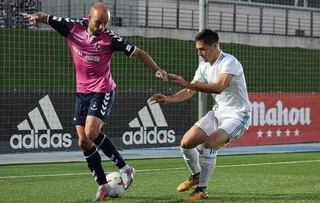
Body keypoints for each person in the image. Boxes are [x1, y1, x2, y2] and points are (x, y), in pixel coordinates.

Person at [22, 3, 168, 201]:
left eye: (105, 23)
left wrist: (156, 69)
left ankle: (126, 169)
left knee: (92, 132)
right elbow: (47, 17)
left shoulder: (110, 38)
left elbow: (139, 52)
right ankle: (103, 186)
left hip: (102, 90)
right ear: (88, 17)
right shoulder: (72, 27)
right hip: (82, 91)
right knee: (83, 141)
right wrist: (35, 17)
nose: (101, 27)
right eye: (98, 22)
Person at [151, 29, 251, 201]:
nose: (199, 53)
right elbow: (189, 90)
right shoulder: (204, 66)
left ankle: (201, 189)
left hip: (237, 115)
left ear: (215, 46)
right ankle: (196, 175)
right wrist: (168, 99)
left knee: (210, 143)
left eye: (203, 49)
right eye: (197, 49)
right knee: (185, 143)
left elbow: (219, 87)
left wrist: (188, 83)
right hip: (218, 112)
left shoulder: (229, 62)